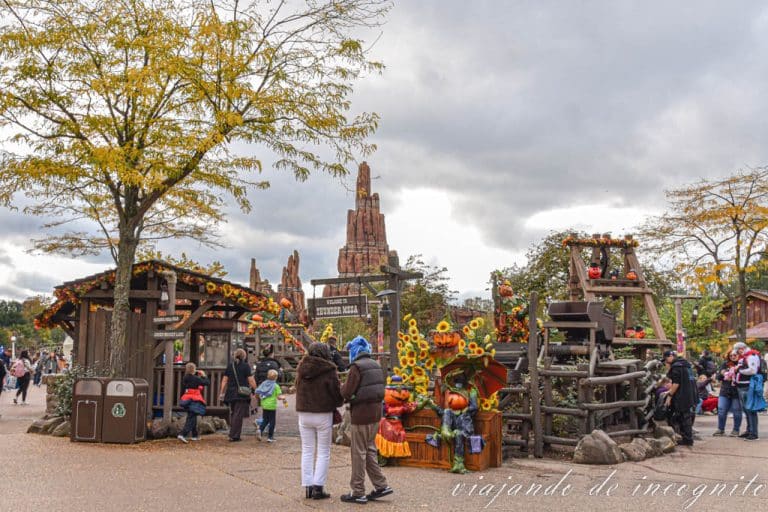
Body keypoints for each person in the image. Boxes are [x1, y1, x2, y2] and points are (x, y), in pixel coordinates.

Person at [340, 336, 392, 504]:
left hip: (361, 415)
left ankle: (358, 491)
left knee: (358, 453)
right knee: (369, 450)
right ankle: (381, 485)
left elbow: (347, 392)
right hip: (375, 414)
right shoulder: (376, 365)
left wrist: (342, 389)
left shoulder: (356, 367)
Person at [295, 342, 344, 500]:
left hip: (304, 412)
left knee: (307, 450)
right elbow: (336, 393)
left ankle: (308, 486)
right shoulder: (329, 370)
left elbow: (297, 387)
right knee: (323, 451)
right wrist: (339, 402)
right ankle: (318, 487)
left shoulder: (301, 368)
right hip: (323, 413)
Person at [219, 348, 256, 442]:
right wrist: (256, 389)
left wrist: (221, 392)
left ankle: (235, 434)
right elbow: (251, 380)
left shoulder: (230, 366)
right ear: (244, 356)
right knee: (238, 415)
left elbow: (224, 380)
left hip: (230, 393)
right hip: (241, 394)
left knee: (234, 413)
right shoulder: (246, 366)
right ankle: (234, 435)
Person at [663, 350, 698, 446]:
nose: (666, 362)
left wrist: (669, 396)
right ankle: (687, 437)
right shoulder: (686, 364)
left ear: (670, 356)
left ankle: (688, 439)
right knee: (687, 415)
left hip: (683, 395)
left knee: (684, 416)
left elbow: (676, 384)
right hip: (691, 392)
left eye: (666, 359)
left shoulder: (676, 367)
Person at [734, 342, 762, 440]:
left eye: (739, 350)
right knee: (746, 410)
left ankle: (753, 433)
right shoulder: (746, 356)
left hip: (748, 385)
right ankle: (749, 430)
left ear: (742, 348)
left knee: (750, 410)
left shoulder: (751, 356)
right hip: (742, 385)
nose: (738, 352)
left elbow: (753, 370)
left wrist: (740, 370)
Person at [713, 350, 742, 436]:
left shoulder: (742, 364)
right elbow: (718, 376)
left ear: (738, 355)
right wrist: (724, 374)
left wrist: (735, 374)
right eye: (731, 355)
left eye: (735, 355)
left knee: (737, 411)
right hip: (725, 390)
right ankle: (720, 429)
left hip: (736, 391)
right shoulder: (725, 364)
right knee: (721, 410)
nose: (733, 357)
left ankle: (736, 430)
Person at [178, 363, 209, 443]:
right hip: (194, 399)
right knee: (191, 417)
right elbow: (207, 382)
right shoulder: (196, 378)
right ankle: (182, 434)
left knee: (192, 415)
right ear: (194, 369)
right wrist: (203, 375)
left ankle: (195, 435)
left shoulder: (185, 377)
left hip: (186, 399)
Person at [255, 369, 287, 442]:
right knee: (272, 421)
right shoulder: (276, 386)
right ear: (276, 377)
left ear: (267, 376)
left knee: (265, 419)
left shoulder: (263, 383)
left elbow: (257, 391)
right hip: (272, 406)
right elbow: (279, 397)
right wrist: (283, 398)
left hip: (264, 405)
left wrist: (259, 398)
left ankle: (260, 430)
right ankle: (270, 437)